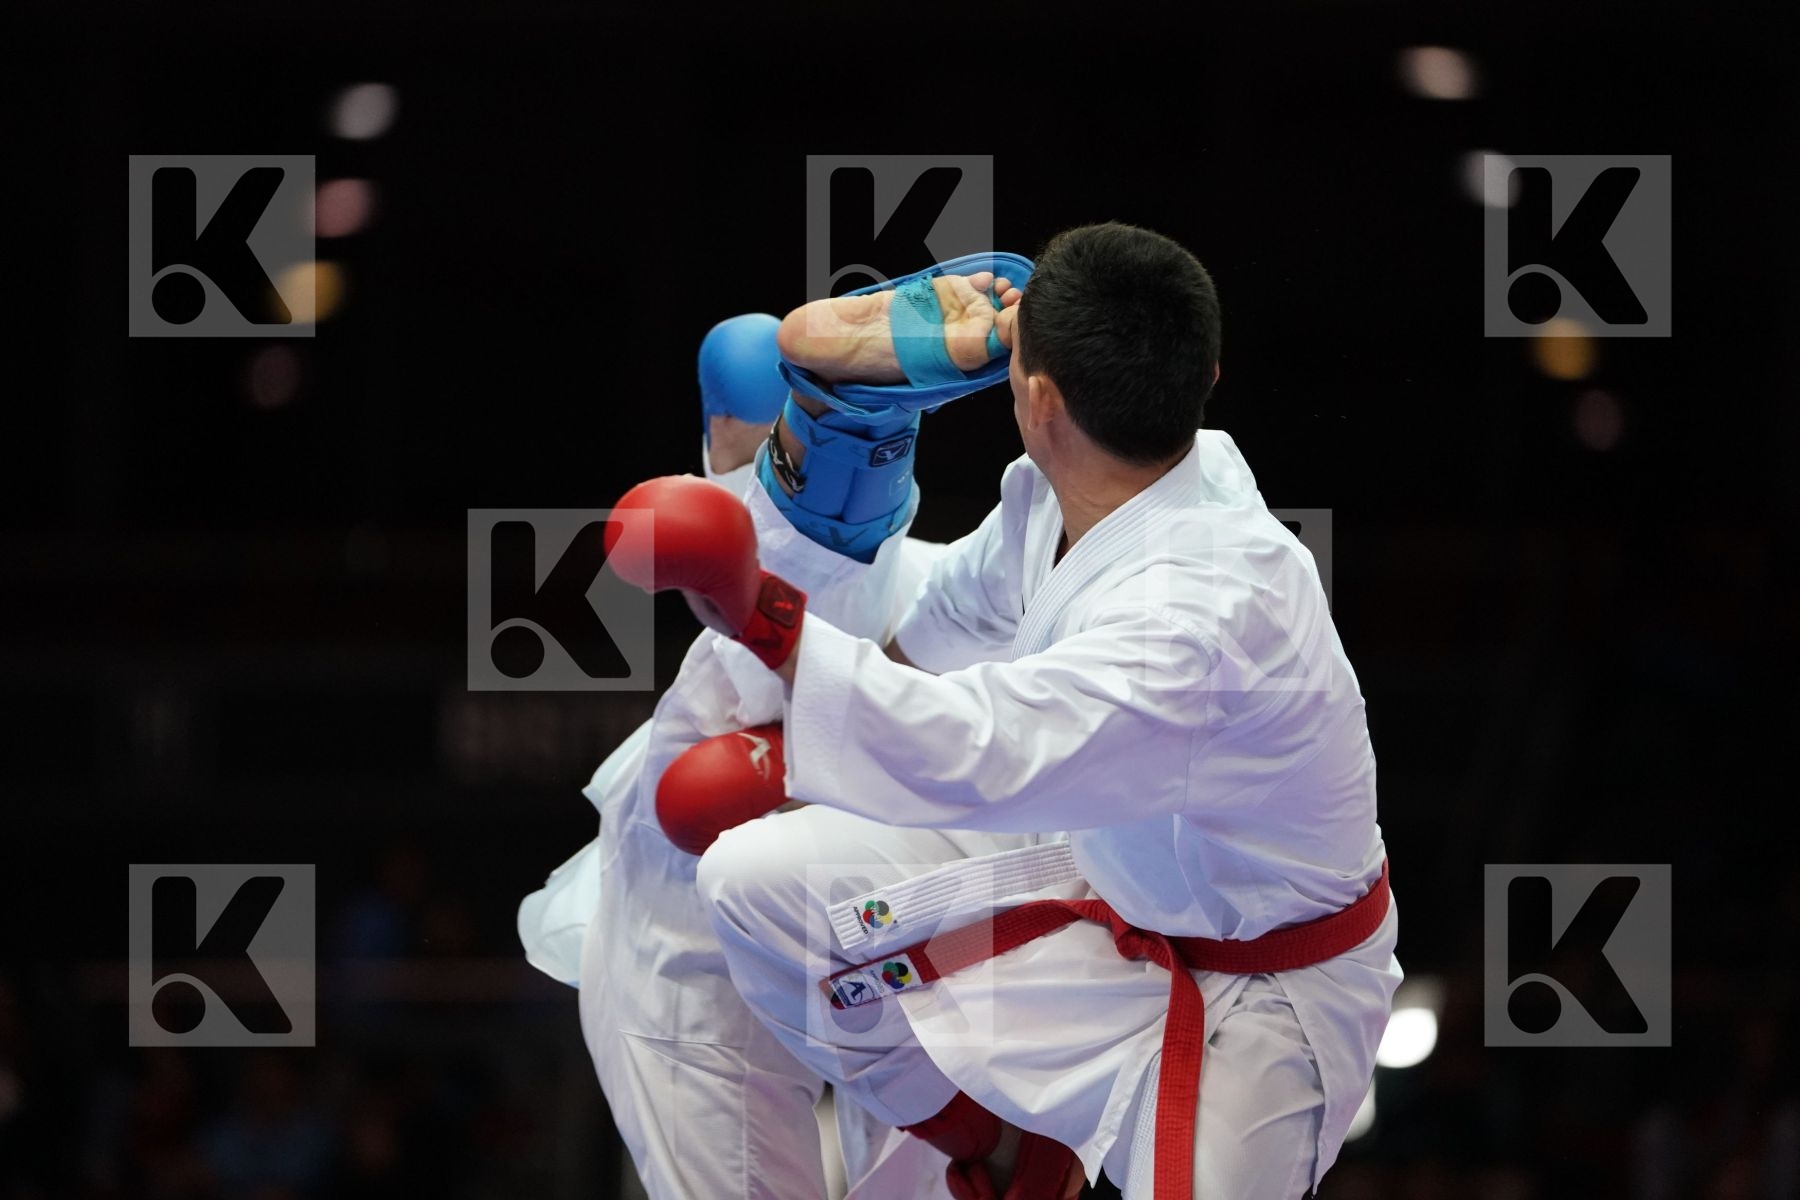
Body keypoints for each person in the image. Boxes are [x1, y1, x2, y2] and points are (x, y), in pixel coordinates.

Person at [607, 222, 1403, 1199]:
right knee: (756, 884)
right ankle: (993, 1141)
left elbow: (981, 754)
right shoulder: (1062, 497)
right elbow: (939, 629)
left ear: (1035, 398)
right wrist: (792, 741)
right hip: (1095, 881)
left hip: (1264, 998)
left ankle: (828, 470)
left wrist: (760, 614)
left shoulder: (1203, 615)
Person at [520, 288, 1042, 1199]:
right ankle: (842, 454)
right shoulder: (976, 570)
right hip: (770, 863)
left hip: (918, 880)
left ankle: (839, 450)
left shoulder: (1007, 579)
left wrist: (795, 765)